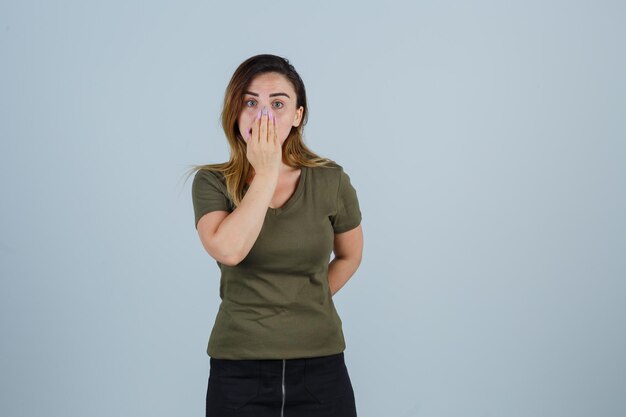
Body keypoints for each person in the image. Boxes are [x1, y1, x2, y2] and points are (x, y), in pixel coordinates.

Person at [188, 53, 363, 417]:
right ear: (235, 112)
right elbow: (229, 250)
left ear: (298, 115)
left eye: (278, 104)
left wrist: (306, 296)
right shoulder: (211, 181)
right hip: (238, 371)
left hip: (320, 368)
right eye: (250, 102)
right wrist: (266, 173)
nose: (263, 115)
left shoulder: (331, 180)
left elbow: (350, 255)